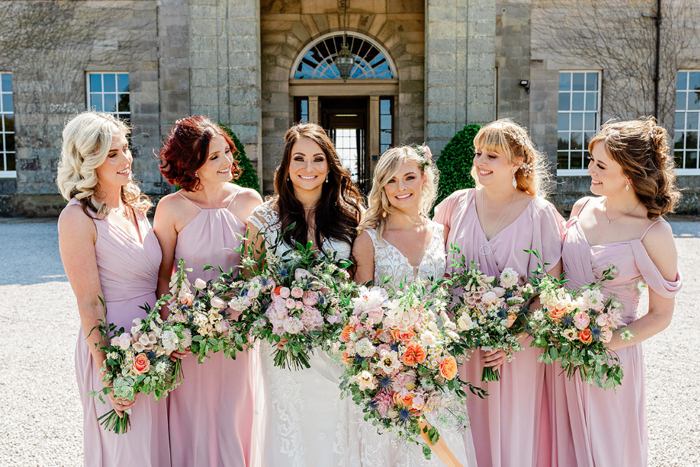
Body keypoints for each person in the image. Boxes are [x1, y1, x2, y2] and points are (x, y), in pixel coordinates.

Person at [548, 118, 682, 466]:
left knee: (607, 450)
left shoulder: (654, 233)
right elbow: (555, 281)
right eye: (591, 160)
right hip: (559, 354)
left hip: (609, 358)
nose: (590, 169)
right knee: (559, 444)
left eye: (601, 164)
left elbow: (660, 316)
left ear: (629, 173)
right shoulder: (581, 209)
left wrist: (599, 344)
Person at [433, 119, 564, 467]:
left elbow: (551, 290)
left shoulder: (541, 214)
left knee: (513, 434)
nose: (480, 162)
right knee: (462, 432)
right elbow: (432, 271)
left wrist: (514, 339)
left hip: (515, 352)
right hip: (460, 347)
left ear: (518, 161)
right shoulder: (454, 205)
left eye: (492, 155)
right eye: (478, 153)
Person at [246, 122, 363, 466]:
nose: (308, 168)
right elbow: (250, 282)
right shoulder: (262, 220)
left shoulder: (352, 215)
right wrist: (275, 315)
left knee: (335, 423)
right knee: (291, 428)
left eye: (317, 159)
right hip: (284, 347)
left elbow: (360, 282)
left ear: (329, 166)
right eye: (299, 158)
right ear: (286, 166)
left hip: (338, 345)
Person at [353, 145, 478, 467]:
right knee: (391, 443)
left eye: (409, 177)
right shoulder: (369, 239)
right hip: (388, 361)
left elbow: (449, 297)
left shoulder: (442, 233)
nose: (401, 188)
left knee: (440, 441)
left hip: (437, 357)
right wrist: (383, 357)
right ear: (381, 186)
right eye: (391, 181)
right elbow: (361, 311)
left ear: (425, 178)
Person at [56, 111, 170, 466]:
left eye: (125, 149)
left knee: (154, 447)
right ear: (88, 160)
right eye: (112, 154)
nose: (126, 159)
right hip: (114, 344)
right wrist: (108, 372)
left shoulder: (135, 208)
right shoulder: (77, 218)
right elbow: (89, 303)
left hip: (153, 343)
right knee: (126, 451)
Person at [153, 116, 262, 467]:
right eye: (215, 157)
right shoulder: (171, 208)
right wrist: (172, 333)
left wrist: (238, 314)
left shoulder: (249, 201)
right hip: (188, 337)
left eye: (227, 153)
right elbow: (163, 276)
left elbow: (255, 273)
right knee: (193, 417)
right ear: (192, 164)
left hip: (237, 336)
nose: (228, 162)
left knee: (234, 416)